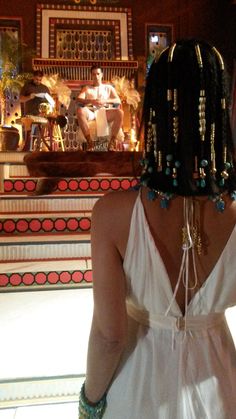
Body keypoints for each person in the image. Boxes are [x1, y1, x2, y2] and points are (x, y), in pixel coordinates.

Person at [79, 40, 236, 418]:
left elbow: (109, 335)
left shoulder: (112, 214)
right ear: (219, 107)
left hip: (138, 384)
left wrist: (90, 402)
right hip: (218, 384)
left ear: (154, 112)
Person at [77, 65, 123, 150]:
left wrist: (105, 101)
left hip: (105, 112)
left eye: (98, 74)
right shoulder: (87, 88)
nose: (96, 76)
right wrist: (92, 101)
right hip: (91, 112)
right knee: (80, 110)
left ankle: (111, 143)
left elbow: (118, 100)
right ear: (91, 75)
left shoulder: (108, 87)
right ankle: (89, 142)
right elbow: (79, 99)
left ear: (102, 75)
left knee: (119, 112)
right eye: (94, 74)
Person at [19, 70, 50, 151]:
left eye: (40, 80)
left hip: (41, 114)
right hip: (29, 114)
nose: (38, 81)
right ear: (33, 77)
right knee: (29, 126)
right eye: (36, 79)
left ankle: (40, 146)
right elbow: (21, 99)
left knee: (44, 126)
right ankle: (28, 146)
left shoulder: (45, 88)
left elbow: (49, 102)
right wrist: (29, 97)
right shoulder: (27, 86)